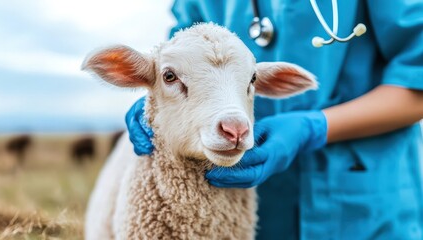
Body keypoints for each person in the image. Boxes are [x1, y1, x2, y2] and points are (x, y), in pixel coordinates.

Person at [126, 1, 423, 239]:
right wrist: (162, 93)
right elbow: (183, 47)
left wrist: (312, 128)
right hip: (249, 205)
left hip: (363, 204)